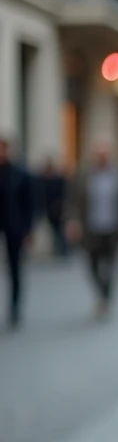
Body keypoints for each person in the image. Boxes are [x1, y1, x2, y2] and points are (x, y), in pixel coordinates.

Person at [67, 144, 118, 318]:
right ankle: (101, 291)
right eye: (99, 156)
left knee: (111, 264)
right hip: (91, 227)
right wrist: (73, 221)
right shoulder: (84, 175)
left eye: (105, 155)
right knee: (92, 264)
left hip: (113, 227)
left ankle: (106, 295)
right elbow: (74, 200)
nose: (102, 159)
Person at [0, 138, 35, 328]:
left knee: (14, 268)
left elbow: (29, 203)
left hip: (14, 227)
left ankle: (14, 306)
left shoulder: (20, 174)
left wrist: (28, 229)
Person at [38, 159, 69, 258]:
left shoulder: (58, 180)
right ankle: (58, 248)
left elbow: (63, 194)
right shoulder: (43, 180)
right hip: (49, 210)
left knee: (60, 230)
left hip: (58, 209)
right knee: (55, 230)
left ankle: (63, 249)